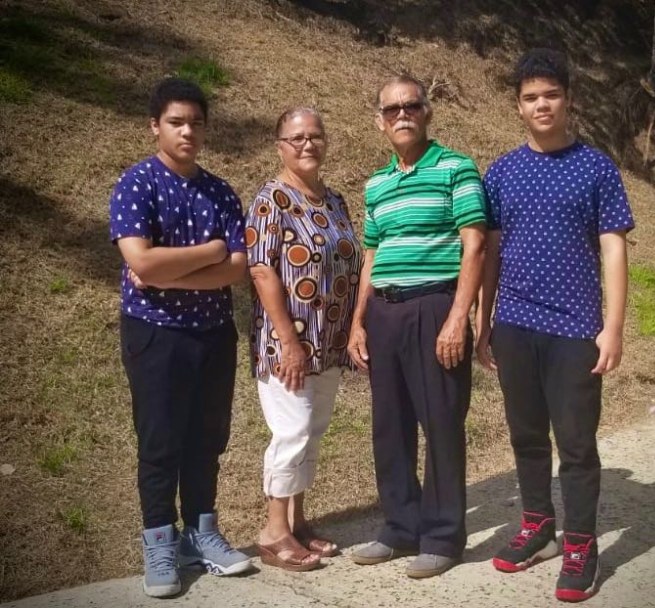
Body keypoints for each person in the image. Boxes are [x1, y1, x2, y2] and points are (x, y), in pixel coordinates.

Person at [476, 48, 635, 602]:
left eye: (550, 95)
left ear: (569, 99)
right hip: (514, 324)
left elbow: (613, 251)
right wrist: (483, 323)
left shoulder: (596, 168)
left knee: (575, 442)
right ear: (518, 106)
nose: (541, 104)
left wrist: (612, 327)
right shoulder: (501, 171)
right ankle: (539, 525)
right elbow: (491, 253)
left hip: (575, 328)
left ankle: (581, 543)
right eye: (530, 97)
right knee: (525, 436)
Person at [109, 77, 253, 597]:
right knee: (160, 442)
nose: (187, 131)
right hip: (155, 334)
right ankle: (159, 542)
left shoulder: (219, 191)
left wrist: (175, 269)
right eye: (176, 122)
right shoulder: (137, 184)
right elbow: (139, 261)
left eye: (195, 122)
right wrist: (210, 250)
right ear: (155, 126)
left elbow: (236, 269)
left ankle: (202, 534)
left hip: (213, 334)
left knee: (206, 440)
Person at [348, 75, 486, 578]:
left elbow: (475, 245)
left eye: (410, 106)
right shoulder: (377, 184)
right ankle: (401, 527)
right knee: (390, 424)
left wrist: (457, 318)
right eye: (391, 109)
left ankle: (444, 536)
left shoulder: (456, 168)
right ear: (379, 120)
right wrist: (358, 322)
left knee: (442, 422)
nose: (401, 115)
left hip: (434, 308)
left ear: (427, 112)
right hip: (385, 312)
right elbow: (372, 254)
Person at [246, 107, 362, 571]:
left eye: (315, 135)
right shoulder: (270, 199)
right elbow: (260, 269)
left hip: (329, 341)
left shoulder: (334, 201)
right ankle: (273, 532)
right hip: (288, 344)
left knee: (311, 433)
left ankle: (296, 520)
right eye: (296, 138)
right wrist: (289, 341)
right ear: (280, 146)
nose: (307, 144)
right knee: (291, 431)